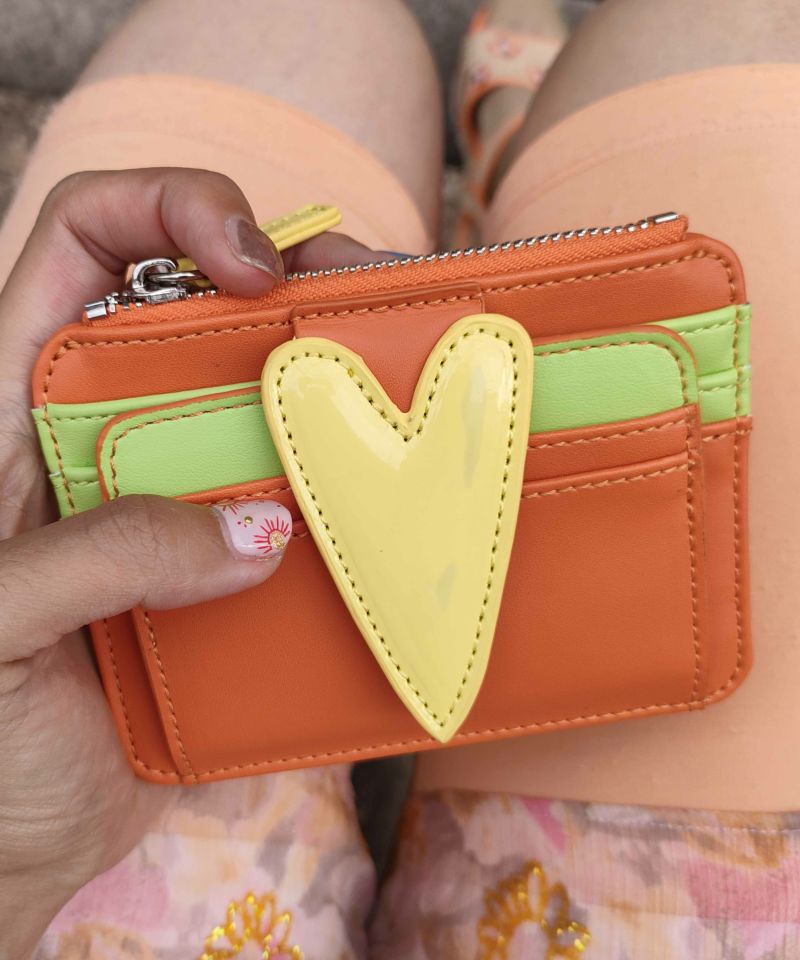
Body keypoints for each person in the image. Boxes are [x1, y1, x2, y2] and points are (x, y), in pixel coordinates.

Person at [1, 0, 799, 956]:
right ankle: (507, 157)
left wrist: (17, 873)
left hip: (99, 830)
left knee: (301, 25)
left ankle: (509, 159)